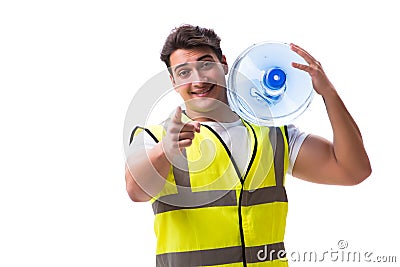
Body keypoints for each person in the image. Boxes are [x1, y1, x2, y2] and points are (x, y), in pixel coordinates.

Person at [125, 24, 371, 267]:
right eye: (184, 72)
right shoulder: (155, 137)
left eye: (206, 65)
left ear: (224, 64)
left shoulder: (272, 133)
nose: (198, 80)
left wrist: (328, 93)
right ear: (173, 81)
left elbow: (353, 170)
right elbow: (136, 191)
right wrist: (165, 151)